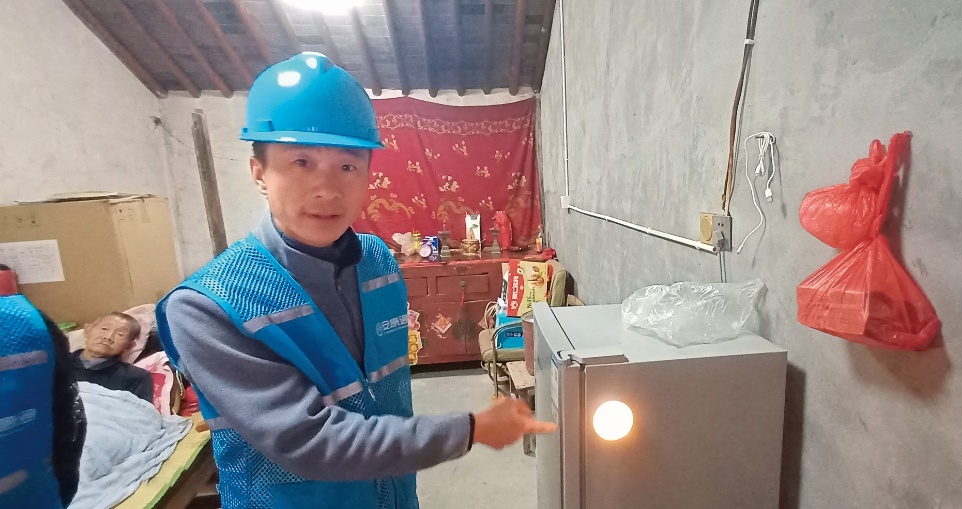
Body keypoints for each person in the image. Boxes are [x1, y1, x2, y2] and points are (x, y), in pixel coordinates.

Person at [157, 52, 556, 509]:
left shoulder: (377, 261)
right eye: (301, 162)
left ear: (368, 174)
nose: (327, 189)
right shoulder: (209, 307)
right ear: (259, 173)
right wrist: (471, 429)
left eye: (347, 166)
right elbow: (309, 440)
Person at [0, 294, 87, 508]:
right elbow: (71, 425)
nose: (108, 337)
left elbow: (68, 418)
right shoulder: (24, 320)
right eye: (105, 328)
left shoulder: (24, 322)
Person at [72, 312, 153, 403]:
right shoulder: (60, 363)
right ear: (87, 330)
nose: (108, 337)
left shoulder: (136, 377)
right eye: (104, 328)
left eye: (120, 334)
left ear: (129, 346)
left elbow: (140, 410)